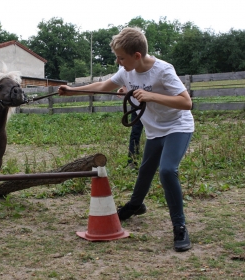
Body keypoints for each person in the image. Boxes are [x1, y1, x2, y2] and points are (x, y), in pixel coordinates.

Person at [58, 27, 194, 252]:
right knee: (145, 170)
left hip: (177, 126)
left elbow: (186, 102)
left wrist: (151, 96)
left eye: (121, 57)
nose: (118, 62)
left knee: (167, 171)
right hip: (155, 130)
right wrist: (72, 90)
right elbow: (103, 86)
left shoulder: (163, 70)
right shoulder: (127, 73)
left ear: (137, 56)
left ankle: (179, 226)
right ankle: (135, 205)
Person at [117, 65, 144, 169]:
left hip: (152, 106)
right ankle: (132, 161)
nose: (119, 61)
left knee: (158, 135)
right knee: (135, 132)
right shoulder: (122, 64)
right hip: (137, 106)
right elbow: (126, 80)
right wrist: (124, 88)